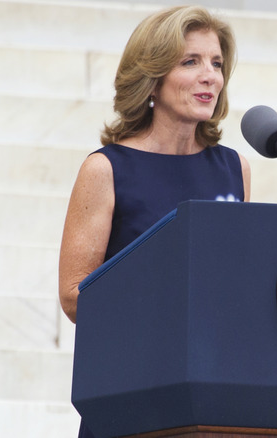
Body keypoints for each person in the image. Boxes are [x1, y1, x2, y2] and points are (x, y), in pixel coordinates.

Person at [58, 5, 250, 436]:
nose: (210, 76)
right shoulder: (106, 169)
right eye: (191, 62)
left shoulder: (235, 168)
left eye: (217, 64)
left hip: (213, 391)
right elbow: (75, 297)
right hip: (132, 389)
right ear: (152, 77)